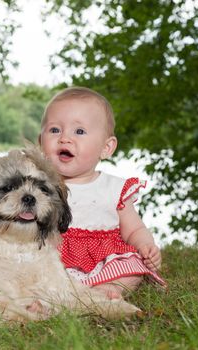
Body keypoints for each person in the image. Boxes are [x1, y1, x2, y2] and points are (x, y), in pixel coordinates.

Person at [38, 86, 166, 300]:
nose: (64, 139)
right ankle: (53, 295)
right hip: (55, 258)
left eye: (79, 131)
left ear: (106, 148)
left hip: (104, 257)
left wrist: (146, 245)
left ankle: (109, 289)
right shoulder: (39, 185)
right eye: (54, 130)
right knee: (31, 269)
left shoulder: (113, 188)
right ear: (41, 141)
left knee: (132, 267)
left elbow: (133, 229)